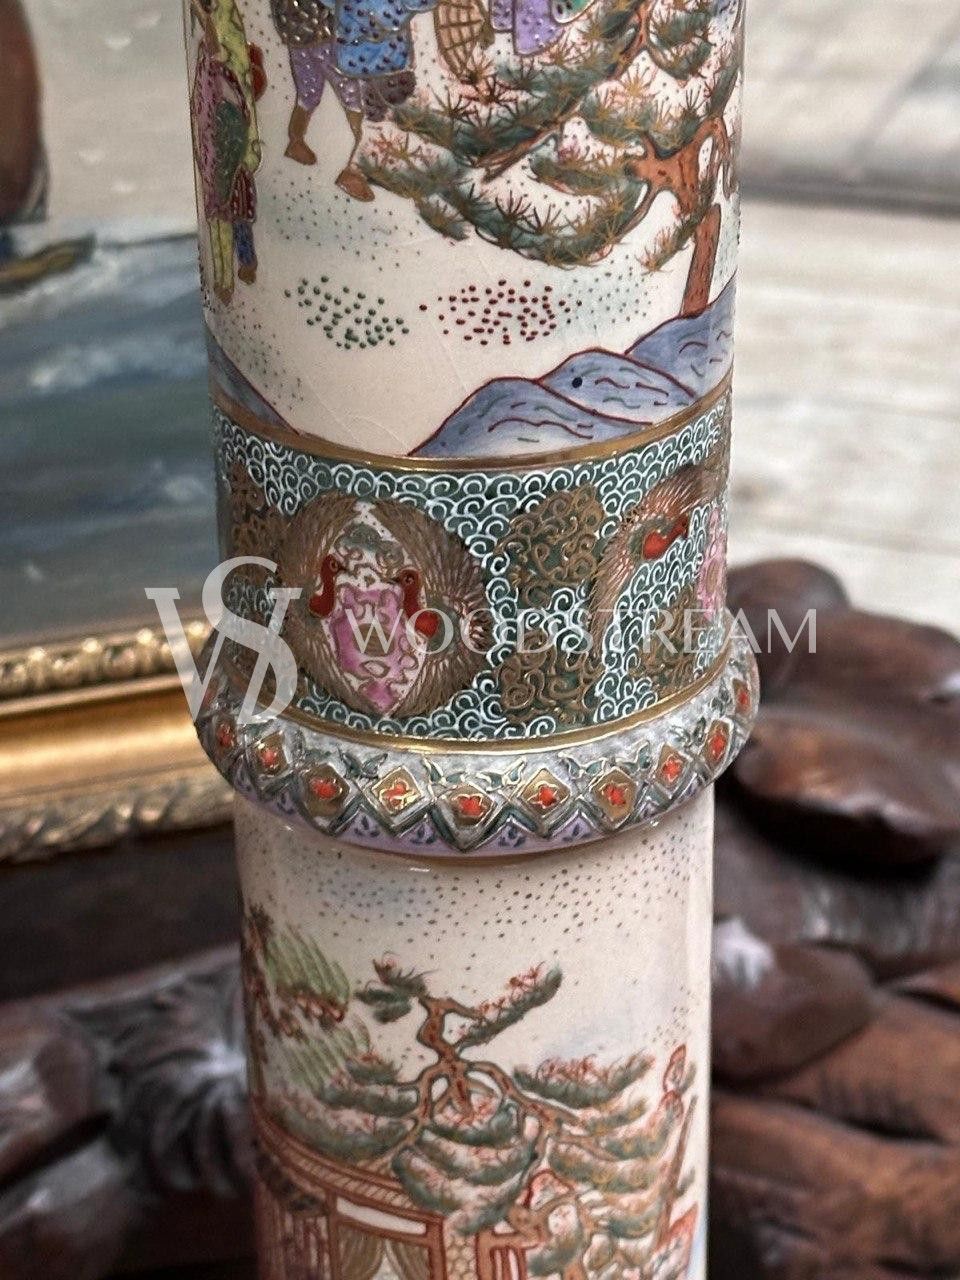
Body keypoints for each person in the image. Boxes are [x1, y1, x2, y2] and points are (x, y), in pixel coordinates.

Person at [272, 0, 436, 202]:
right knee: (359, 107)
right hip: (363, 56)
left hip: (317, 43)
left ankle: (296, 141)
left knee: (309, 96)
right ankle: (356, 170)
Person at [190, 0, 266, 302]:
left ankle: (244, 263)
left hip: (231, 150)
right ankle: (228, 276)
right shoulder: (207, 72)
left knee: (239, 211)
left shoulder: (223, 74)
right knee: (226, 212)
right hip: (214, 151)